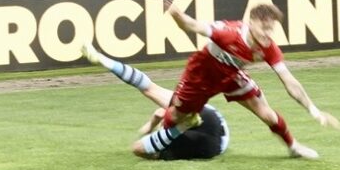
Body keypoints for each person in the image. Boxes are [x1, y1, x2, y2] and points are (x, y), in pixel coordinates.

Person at [128, 2, 339, 160]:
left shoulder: (268, 47)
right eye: (264, 28)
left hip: (231, 76)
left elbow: (289, 81)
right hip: (201, 76)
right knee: (176, 114)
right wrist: (177, 15)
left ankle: (293, 147)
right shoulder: (228, 32)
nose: (267, 34)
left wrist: (314, 110)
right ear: (251, 22)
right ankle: (163, 141)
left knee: (268, 114)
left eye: (271, 29)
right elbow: (192, 25)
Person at [81, 45, 230, 160]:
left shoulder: (176, 142)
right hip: (212, 121)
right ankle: (103, 59)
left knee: (150, 91)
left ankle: (103, 60)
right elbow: (157, 111)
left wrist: (151, 128)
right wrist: (150, 126)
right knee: (150, 90)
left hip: (213, 143)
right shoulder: (184, 114)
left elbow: (138, 148)